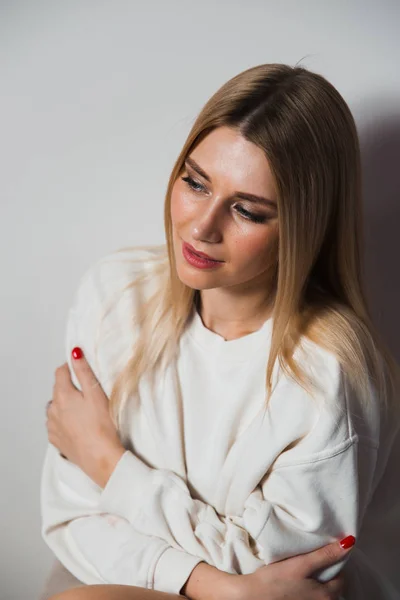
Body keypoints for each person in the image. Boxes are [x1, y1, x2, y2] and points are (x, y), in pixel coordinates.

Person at [40, 63, 400, 600]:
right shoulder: (115, 294)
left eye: (247, 211)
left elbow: (286, 580)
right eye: (195, 182)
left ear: (305, 226)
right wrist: (222, 588)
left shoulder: (330, 378)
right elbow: (70, 521)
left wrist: (107, 463)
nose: (201, 227)